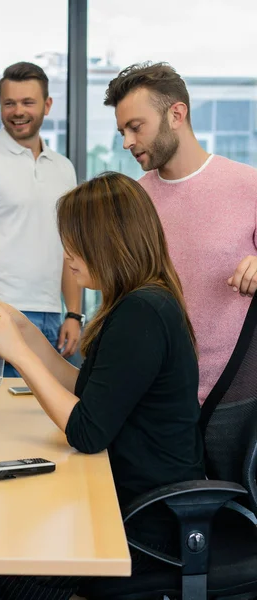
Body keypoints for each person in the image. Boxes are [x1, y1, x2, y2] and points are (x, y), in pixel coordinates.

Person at [0, 172, 205, 600]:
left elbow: (85, 430)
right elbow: (85, 389)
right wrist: (27, 335)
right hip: (120, 500)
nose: (67, 256)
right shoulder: (139, 301)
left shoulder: (142, 313)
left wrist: (20, 356)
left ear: (108, 242)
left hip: (144, 526)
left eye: (74, 243)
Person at [104, 61, 257, 404]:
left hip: (236, 402)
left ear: (176, 114)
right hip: (156, 401)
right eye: (122, 132)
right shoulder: (133, 201)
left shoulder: (250, 186)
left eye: (135, 127)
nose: (127, 142)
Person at [0, 61, 82, 377]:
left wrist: (74, 313)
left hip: (52, 313)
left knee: (57, 413)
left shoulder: (63, 168)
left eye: (27, 102)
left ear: (47, 105)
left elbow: (69, 245)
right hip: (0, 310)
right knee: (9, 414)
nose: (17, 111)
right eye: (9, 103)